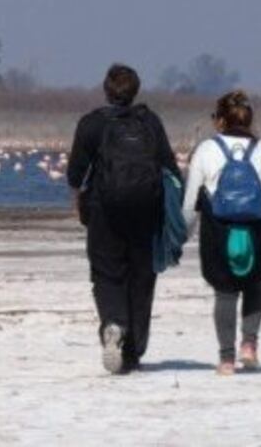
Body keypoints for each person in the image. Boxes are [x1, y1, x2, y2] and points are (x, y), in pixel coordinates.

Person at [67, 64, 180, 374]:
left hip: (105, 210)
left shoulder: (92, 124)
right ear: (135, 90)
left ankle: (113, 322)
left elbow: (75, 174)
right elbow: (170, 168)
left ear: (106, 90)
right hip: (147, 211)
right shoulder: (150, 122)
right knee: (142, 277)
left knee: (106, 273)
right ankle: (132, 352)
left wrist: (80, 200)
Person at [183, 90, 261, 375]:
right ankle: (249, 344)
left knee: (225, 294)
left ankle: (226, 359)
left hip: (218, 232)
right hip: (258, 230)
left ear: (220, 120)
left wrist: (184, 232)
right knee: (255, 286)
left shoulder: (206, 150)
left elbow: (190, 201)